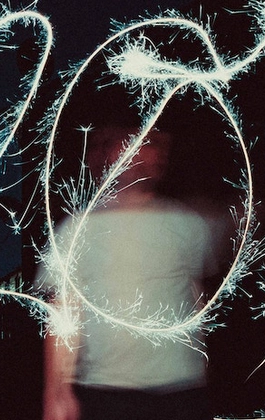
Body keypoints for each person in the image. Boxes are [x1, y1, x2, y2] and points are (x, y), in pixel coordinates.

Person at [38, 126, 220, 420]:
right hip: (107, 393)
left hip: (182, 391)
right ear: (106, 155)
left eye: (152, 144)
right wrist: (56, 393)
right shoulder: (76, 230)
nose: (146, 153)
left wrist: (204, 370)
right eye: (133, 143)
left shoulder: (188, 223)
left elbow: (196, 298)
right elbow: (63, 317)